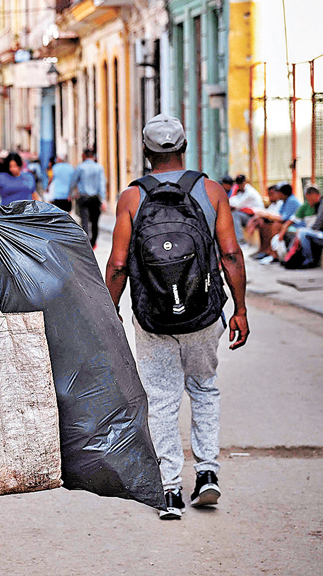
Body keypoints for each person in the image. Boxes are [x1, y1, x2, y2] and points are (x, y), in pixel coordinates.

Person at [104, 114, 249, 521]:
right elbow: (231, 254)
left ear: (146, 152)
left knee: (162, 398)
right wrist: (240, 309)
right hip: (202, 313)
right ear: (184, 147)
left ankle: (169, 489)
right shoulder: (210, 191)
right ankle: (207, 474)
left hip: (153, 317)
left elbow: (118, 265)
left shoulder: (132, 198)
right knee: (204, 389)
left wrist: (110, 312)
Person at [245, 182, 301, 264]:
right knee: (264, 225)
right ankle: (265, 251)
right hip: (288, 224)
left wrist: (266, 214)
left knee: (276, 225)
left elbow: (282, 218)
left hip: (296, 226)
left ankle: (273, 255)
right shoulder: (284, 201)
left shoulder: (291, 201)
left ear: (282, 193)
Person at [70, 147, 106, 248]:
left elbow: (73, 182)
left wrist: (70, 194)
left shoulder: (80, 167)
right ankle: (93, 242)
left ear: (84, 156)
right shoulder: (99, 167)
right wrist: (103, 199)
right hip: (95, 198)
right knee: (95, 222)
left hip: (84, 198)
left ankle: (87, 243)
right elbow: (102, 184)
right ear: (93, 156)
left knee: (84, 221)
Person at [273, 185, 321, 260]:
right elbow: (291, 220)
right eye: (308, 198)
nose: (310, 201)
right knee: (301, 233)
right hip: (311, 232)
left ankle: (309, 259)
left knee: (302, 232)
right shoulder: (305, 206)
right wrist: (282, 232)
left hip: (318, 233)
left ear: (318, 195)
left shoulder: (321, 205)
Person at [228, 174, 265, 244]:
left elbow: (236, 205)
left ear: (245, 182)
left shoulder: (249, 192)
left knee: (235, 215)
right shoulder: (241, 191)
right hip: (248, 214)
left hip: (255, 216)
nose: (240, 185)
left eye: (241, 183)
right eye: (238, 183)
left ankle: (240, 240)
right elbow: (232, 201)